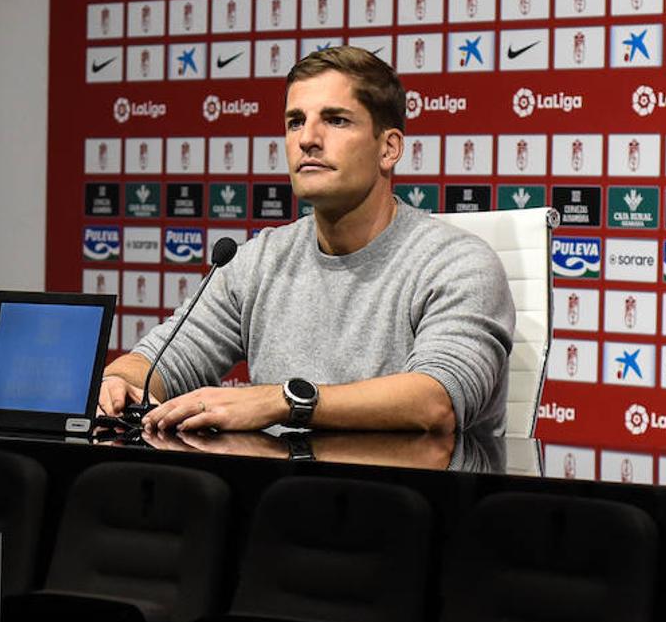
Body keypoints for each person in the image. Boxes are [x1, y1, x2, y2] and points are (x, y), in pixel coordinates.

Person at [99, 46, 515, 435]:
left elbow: (436, 402)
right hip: (281, 500)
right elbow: (161, 360)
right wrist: (120, 381)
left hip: (411, 504)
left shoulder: (458, 263)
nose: (306, 139)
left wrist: (284, 401)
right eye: (295, 121)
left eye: (335, 120)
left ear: (389, 149)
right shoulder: (259, 260)